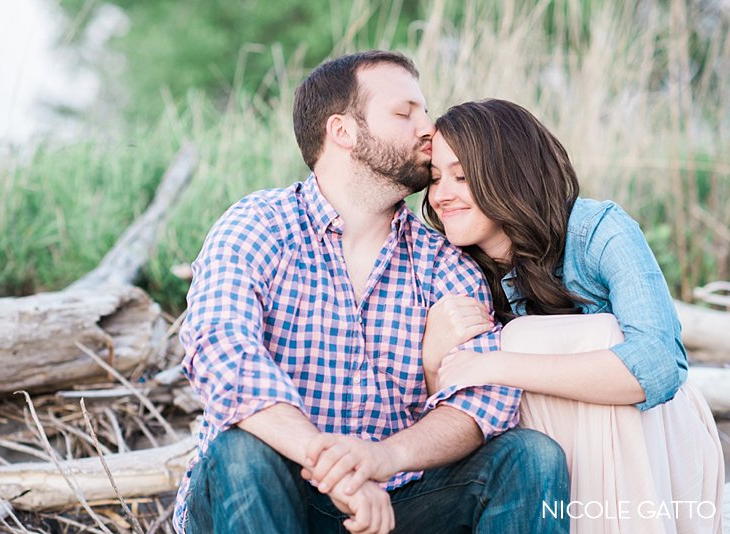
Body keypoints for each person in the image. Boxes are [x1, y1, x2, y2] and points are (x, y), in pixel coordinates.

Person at [174, 52, 570, 534]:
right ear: (342, 130)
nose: (429, 127)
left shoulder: (444, 261)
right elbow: (223, 352)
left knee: (528, 457)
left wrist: (380, 459)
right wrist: (334, 468)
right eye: (405, 113)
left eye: (424, 111)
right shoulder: (258, 226)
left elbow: (479, 405)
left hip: (391, 504)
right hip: (270, 491)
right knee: (242, 451)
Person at [422, 98, 725, 534]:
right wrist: (435, 359)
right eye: (434, 179)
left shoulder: (599, 231)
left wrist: (499, 363)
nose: (441, 195)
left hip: (658, 437)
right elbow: (459, 411)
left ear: (509, 173)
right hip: (552, 454)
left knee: (585, 335)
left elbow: (659, 366)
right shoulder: (451, 267)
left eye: (462, 176)